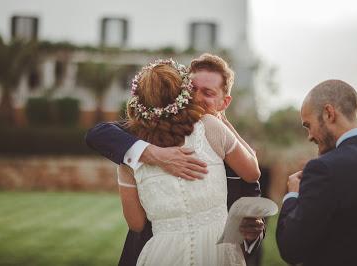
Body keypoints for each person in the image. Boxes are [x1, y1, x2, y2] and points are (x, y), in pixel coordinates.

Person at [86, 54, 265, 265]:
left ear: (224, 102)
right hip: (155, 248)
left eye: (207, 93)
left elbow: (252, 187)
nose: (196, 98)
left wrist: (253, 234)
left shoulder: (219, 135)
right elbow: (97, 134)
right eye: (192, 90)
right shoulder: (137, 138)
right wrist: (154, 153)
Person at [276, 80, 357, 266]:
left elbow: (292, 249)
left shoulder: (323, 169)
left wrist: (292, 195)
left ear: (328, 113)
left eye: (308, 125)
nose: (309, 136)